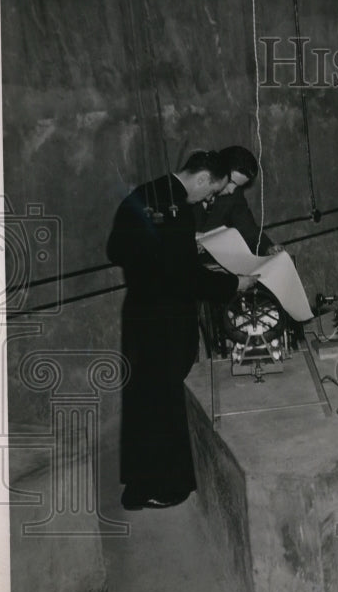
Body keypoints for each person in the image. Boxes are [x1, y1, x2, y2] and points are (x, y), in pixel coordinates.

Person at [107, 151, 258, 510]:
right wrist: (234, 284)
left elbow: (116, 249)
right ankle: (168, 486)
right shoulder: (176, 209)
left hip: (141, 314)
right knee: (166, 402)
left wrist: (157, 256)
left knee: (144, 400)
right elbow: (186, 277)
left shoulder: (145, 192)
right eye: (212, 192)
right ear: (203, 179)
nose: (209, 200)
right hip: (164, 320)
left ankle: (138, 486)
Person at [194, 145, 283, 255]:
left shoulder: (235, 195)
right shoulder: (187, 190)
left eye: (238, 187)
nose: (232, 190)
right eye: (231, 182)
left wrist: (268, 249)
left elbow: (249, 230)